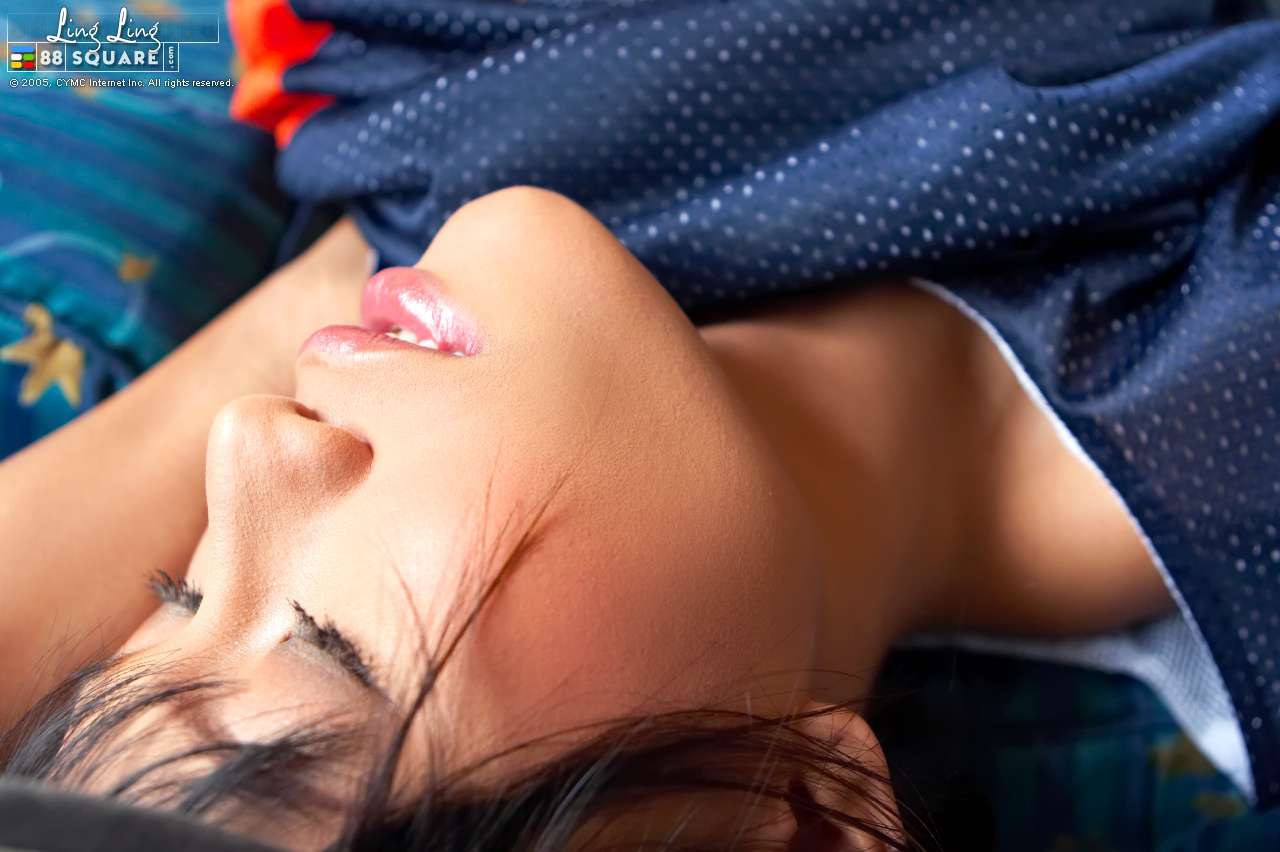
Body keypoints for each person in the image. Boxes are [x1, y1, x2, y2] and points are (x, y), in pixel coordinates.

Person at [0, 185, 1175, 849]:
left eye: (184, 592)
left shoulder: (408, 104)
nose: (246, 436)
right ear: (789, 821)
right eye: (325, 641)